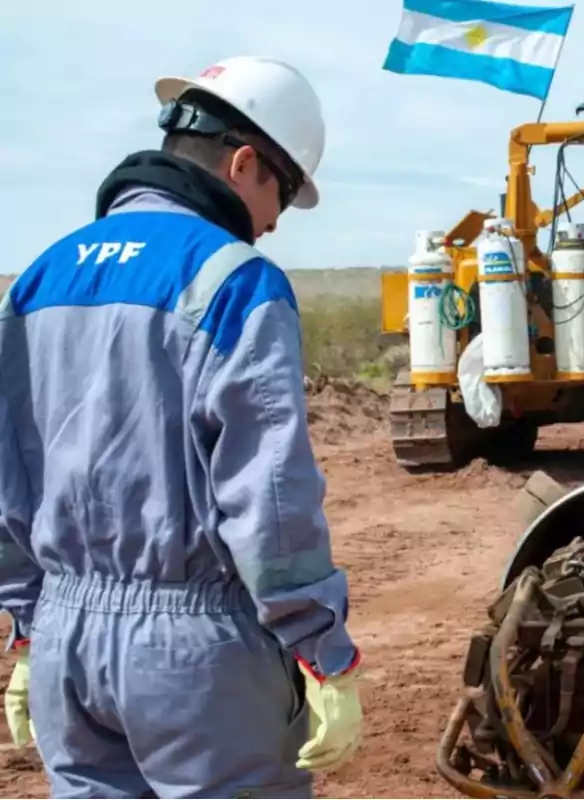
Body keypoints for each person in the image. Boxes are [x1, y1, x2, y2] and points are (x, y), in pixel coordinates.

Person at [0, 56, 364, 797]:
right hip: (196, 655)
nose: (270, 225)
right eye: (282, 198)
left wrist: (29, 623)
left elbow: (9, 472)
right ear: (243, 163)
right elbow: (269, 493)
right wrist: (320, 646)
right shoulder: (234, 280)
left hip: (68, 648)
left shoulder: (38, 279)